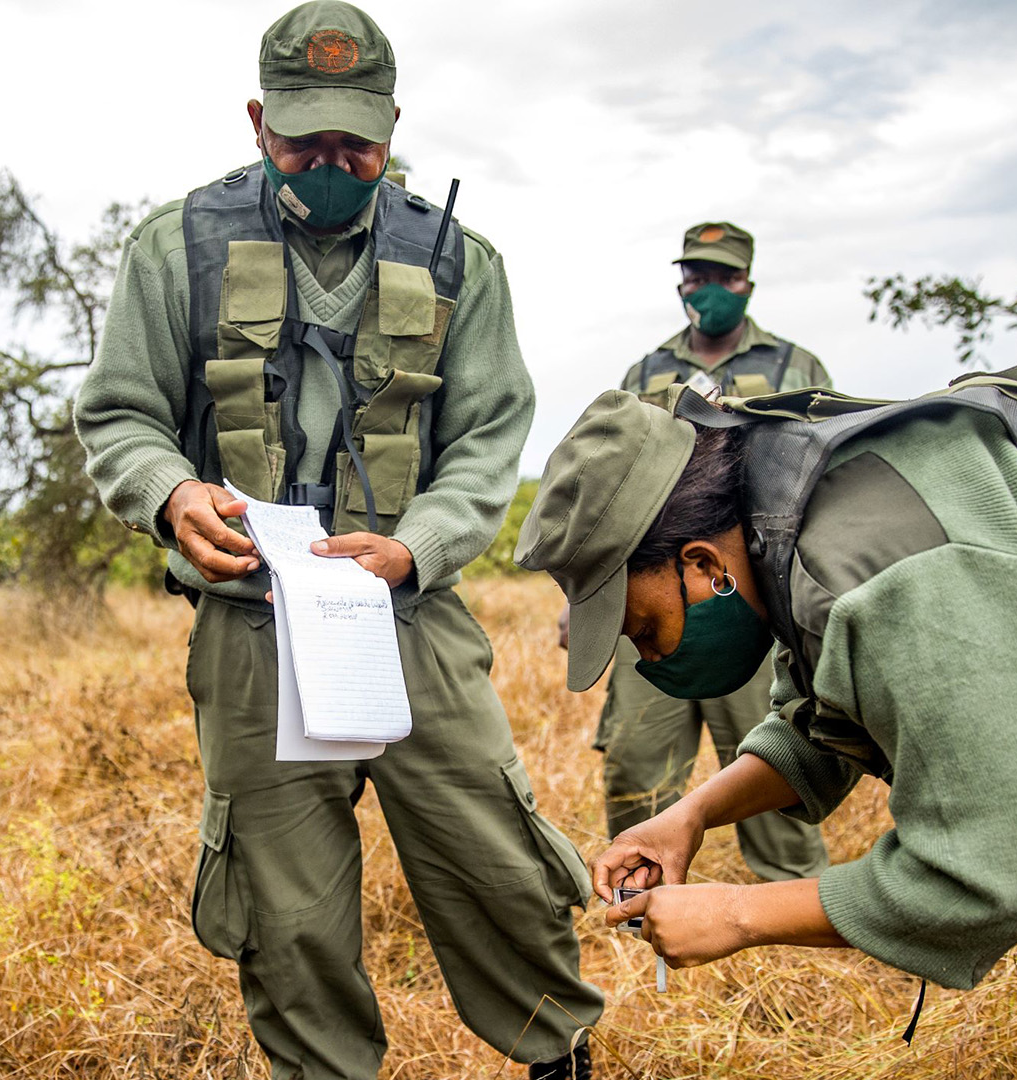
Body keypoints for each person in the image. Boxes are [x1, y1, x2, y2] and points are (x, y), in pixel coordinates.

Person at [514, 374, 1017, 1079]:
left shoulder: (882, 564)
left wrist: (737, 915)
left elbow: (992, 871)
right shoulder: (781, 509)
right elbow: (825, 720)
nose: (642, 653)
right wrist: (687, 816)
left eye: (642, 626)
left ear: (700, 565)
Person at [75, 3, 603, 1076]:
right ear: (258, 118)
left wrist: (420, 547)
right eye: (304, 136)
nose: (330, 160)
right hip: (252, 627)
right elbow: (118, 414)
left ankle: (558, 1057)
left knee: (496, 859)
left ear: (393, 123)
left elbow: (489, 436)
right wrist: (171, 494)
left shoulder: (460, 261)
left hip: (410, 618)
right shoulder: (176, 248)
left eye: (355, 140)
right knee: (289, 905)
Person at [587, 222, 831, 885]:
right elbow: (614, 484)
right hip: (658, 593)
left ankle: (790, 900)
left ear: (746, 282)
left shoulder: (792, 366)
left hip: (745, 600)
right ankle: (635, 887)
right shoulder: (647, 371)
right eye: (696, 275)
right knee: (637, 759)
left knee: (770, 759)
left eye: (723, 276)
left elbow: (820, 487)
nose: (708, 289)